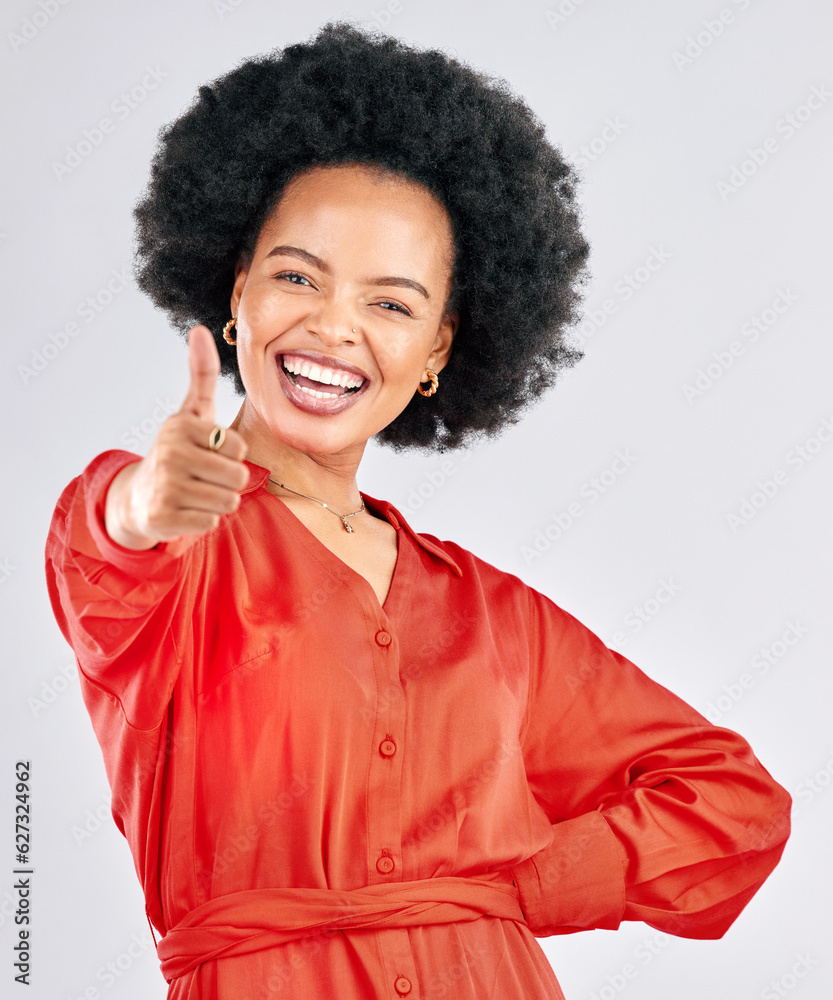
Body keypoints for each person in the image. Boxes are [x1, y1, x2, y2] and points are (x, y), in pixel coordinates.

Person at [44, 20, 791, 1000]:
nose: (333, 325)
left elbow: (731, 804)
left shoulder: (493, 616)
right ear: (235, 295)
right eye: (296, 276)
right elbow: (111, 546)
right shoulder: (173, 543)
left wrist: (502, 885)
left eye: (390, 303)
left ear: (439, 349)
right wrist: (148, 502)